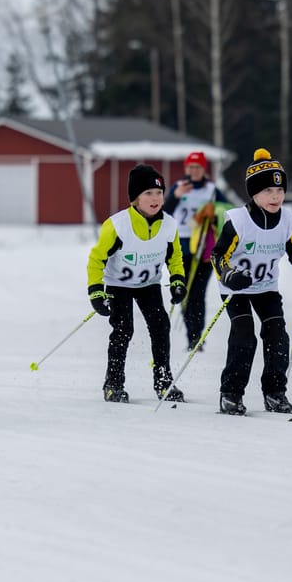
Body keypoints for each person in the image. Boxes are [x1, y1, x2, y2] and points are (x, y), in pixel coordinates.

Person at [211, 149, 292, 415]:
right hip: (236, 289)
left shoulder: (287, 220)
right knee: (244, 336)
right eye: (268, 191)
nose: (275, 197)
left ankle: (274, 392)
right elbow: (218, 255)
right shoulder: (239, 221)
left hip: (266, 288)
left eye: (279, 191)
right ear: (254, 193)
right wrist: (229, 275)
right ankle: (231, 393)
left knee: (277, 337)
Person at [86, 163, 187, 403]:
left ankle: (163, 380)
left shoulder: (169, 225)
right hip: (119, 285)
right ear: (135, 199)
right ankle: (113, 383)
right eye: (148, 194)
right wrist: (96, 292)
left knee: (161, 326)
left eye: (159, 193)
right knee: (123, 330)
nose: (155, 198)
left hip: (149, 285)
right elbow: (96, 259)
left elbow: (175, 257)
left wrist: (177, 281)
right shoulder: (117, 225)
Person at [161, 151, 232, 351]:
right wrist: (175, 196)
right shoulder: (179, 187)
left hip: (203, 246)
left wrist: (214, 210)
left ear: (203, 170)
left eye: (197, 168)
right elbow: (163, 212)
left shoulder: (211, 190)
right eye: (190, 167)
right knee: (184, 290)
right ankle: (190, 333)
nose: (193, 171)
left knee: (198, 292)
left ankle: (196, 337)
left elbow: (228, 210)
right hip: (181, 244)